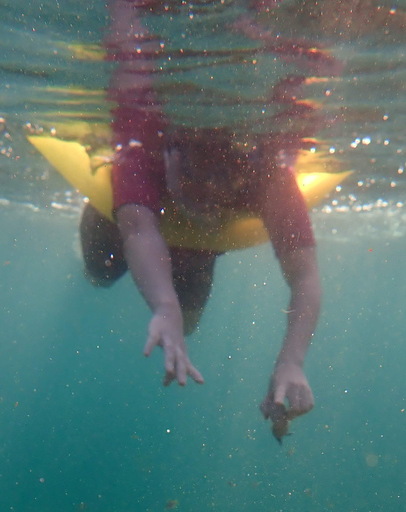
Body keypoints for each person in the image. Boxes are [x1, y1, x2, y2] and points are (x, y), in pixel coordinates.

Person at [79, 0, 333, 442]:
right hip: (131, 216)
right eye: (197, 175)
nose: (211, 189)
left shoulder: (267, 176)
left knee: (189, 325)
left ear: (246, 162)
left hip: (200, 241)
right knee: (98, 273)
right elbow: (137, 228)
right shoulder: (146, 150)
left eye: (225, 177)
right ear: (174, 153)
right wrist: (163, 306)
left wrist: (292, 360)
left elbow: (305, 276)